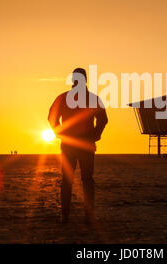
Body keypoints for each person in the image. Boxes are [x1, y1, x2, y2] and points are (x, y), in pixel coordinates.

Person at [48, 68, 108, 224]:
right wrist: (94, 135)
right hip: (83, 144)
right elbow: (103, 120)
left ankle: (67, 216)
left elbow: (51, 117)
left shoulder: (64, 98)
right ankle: (87, 216)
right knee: (86, 179)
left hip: (71, 144)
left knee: (69, 180)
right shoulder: (92, 98)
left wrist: (60, 133)